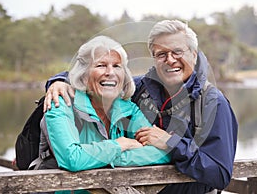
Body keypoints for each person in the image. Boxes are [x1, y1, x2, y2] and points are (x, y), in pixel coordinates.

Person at [44, 20, 238, 193]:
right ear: (154, 58)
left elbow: (219, 175)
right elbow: (102, 79)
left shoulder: (213, 102)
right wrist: (58, 81)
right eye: (161, 54)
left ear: (194, 55)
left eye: (177, 52)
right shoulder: (141, 89)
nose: (170, 59)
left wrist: (171, 143)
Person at [39, 35, 170, 174]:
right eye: (101, 65)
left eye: (116, 66)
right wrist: (120, 145)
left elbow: (164, 153)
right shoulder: (60, 102)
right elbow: (72, 159)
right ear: (83, 76)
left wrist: (110, 158)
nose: (110, 72)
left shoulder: (128, 108)